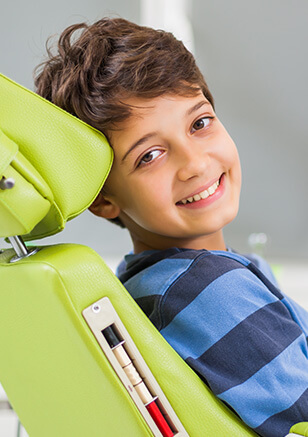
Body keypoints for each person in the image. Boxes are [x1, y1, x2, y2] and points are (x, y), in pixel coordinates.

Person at [35, 17, 308, 436]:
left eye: (200, 123)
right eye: (150, 155)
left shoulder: (147, 281)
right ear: (103, 200)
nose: (196, 164)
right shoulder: (208, 291)